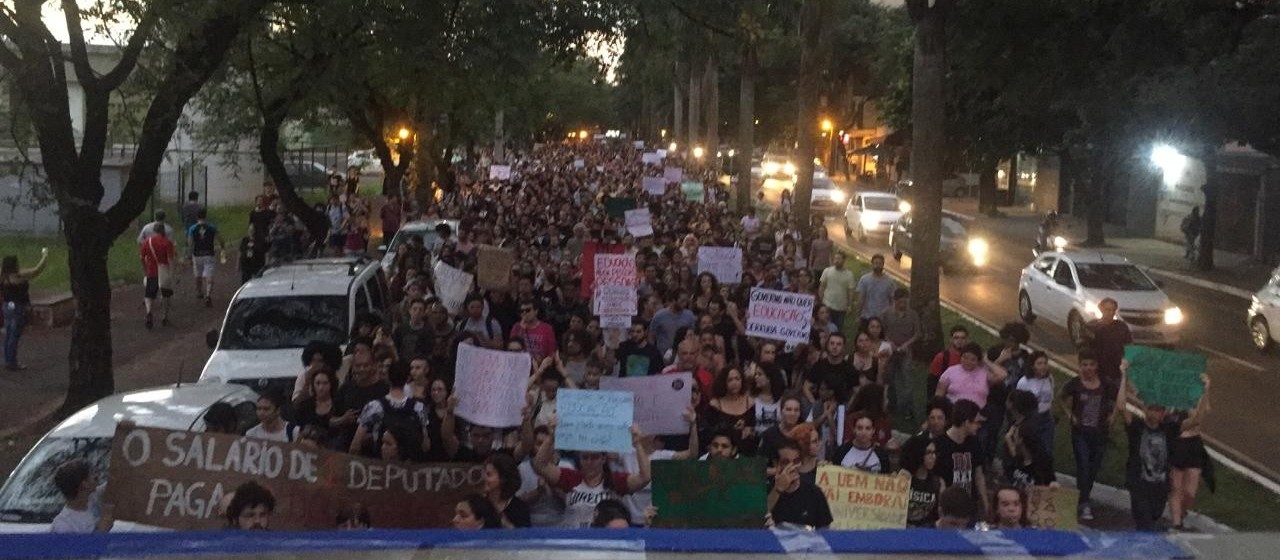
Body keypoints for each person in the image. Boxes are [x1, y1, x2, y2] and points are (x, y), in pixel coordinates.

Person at [1116, 362, 1211, 531]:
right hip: (1139, 487)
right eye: (1152, 409)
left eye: (1159, 410)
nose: (1155, 413)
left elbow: (1196, 419)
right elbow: (1121, 406)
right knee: (1146, 525)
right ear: (1145, 409)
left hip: (1159, 488)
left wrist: (1205, 390)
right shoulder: (1137, 427)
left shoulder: (1170, 430)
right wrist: (1124, 375)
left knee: (1152, 519)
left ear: (1164, 412)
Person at [533, 421, 652, 528]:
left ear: (603, 458)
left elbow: (645, 477)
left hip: (604, 543)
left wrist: (637, 444)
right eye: (585, 457)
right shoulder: (570, 477)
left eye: (595, 457)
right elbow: (540, 465)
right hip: (573, 541)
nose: (589, 462)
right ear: (579, 459)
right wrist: (552, 437)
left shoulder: (615, 480)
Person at [1057, 349, 1116, 521]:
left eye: (1091, 365)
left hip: (1100, 433)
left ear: (1096, 366)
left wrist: (1113, 416)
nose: (1088, 368)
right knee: (1083, 465)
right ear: (1079, 366)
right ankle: (1084, 502)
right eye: (1084, 365)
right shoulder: (1075, 384)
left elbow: (1117, 398)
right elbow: (1061, 397)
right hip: (1081, 432)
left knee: (1093, 467)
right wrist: (1070, 415)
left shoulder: (1105, 384)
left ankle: (1083, 495)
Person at [933, 399, 989, 515]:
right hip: (949, 507)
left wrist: (985, 504)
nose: (979, 426)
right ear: (966, 422)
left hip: (970, 505)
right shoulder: (939, 445)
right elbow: (939, 480)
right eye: (977, 422)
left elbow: (979, 475)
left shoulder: (974, 443)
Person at [768, 440, 832, 529]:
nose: (792, 467)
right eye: (786, 462)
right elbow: (757, 521)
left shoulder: (814, 493)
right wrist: (778, 489)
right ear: (776, 464)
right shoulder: (765, 490)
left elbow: (825, 529)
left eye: (796, 461)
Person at [2, 248, 48, 371]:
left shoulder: (3, 277)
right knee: (14, 335)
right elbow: (37, 270)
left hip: (7, 306)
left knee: (8, 334)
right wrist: (45, 255)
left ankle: (8, 359)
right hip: (17, 307)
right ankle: (12, 362)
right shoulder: (19, 277)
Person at [880, 288, 920, 421]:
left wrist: (906, 345)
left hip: (905, 351)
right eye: (901, 302)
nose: (903, 305)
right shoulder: (886, 314)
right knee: (889, 378)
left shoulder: (913, 314)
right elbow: (882, 331)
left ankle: (908, 408)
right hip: (891, 350)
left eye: (905, 302)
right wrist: (889, 342)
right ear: (895, 301)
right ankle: (892, 404)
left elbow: (917, 334)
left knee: (906, 380)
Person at [51, 459, 112, 533]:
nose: (96, 478)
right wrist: (102, 529)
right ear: (84, 484)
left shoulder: (91, 500)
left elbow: (112, 485)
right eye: (93, 477)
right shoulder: (64, 524)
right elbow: (79, 544)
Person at [1016, 351, 1056, 464]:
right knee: (1031, 450)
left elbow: (1050, 399)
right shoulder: (1024, 382)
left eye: (1045, 363)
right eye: (1039, 363)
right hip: (1031, 420)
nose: (1043, 366)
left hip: (1046, 419)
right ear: (1032, 366)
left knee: (1046, 451)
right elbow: (1018, 405)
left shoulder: (1049, 379)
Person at [1080, 297, 1132, 383]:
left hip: (1116, 372)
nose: (1111, 313)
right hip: (1097, 372)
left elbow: (1129, 347)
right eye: (1108, 310)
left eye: (1113, 310)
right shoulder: (1091, 327)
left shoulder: (1121, 327)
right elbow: (1083, 350)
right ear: (1101, 309)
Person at [900, 435, 945, 528]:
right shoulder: (903, 479)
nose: (933, 457)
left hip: (927, 532)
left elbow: (942, 513)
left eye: (934, 453)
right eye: (928, 452)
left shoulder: (938, 483)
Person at [186, 208, 225, 307]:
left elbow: (190, 243)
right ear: (205, 216)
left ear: (197, 217)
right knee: (209, 275)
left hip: (197, 254)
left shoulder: (192, 228)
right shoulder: (212, 227)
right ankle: (208, 294)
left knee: (198, 275)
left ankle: (199, 292)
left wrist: (189, 256)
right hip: (209, 253)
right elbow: (220, 239)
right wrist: (222, 247)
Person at [140, 224, 176, 329]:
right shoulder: (167, 242)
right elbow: (170, 259)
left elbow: (141, 257)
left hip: (151, 271)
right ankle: (165, 317)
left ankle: (149, 312)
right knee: (166, 295)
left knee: (149, 295)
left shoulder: (147, 242)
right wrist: (172, 272)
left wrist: (145, 270)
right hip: (164, 271)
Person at [484, 453, 532, 528]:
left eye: (489, 475)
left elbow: (524, 537)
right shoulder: (478, 504)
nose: (484, 478)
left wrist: (506, 524)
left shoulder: (520, 508)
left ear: (503, 479)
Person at [928, 326, 968, 405]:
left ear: (967, 340)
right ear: (951, 339)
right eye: (956, 338)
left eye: (963, 338)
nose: (959, 341)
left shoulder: (973, 358)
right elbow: (932, 383)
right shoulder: (942, 357)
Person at [854, 254, 896, 330]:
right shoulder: (864, 279)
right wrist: (857, 315)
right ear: (872, 264)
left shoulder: (889, 282)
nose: (878, 265)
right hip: (866, 317)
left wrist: (891, 315)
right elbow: (861, 299)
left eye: (880, 263)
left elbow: (892, 300)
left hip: (882, 319)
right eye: (876, 263)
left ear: (883, 265)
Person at [650, 290, 695, 358]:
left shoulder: (689, 316)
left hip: (683, 356)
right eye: (682, 301)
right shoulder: (659, 316)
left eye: (686, 301)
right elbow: (651, 337)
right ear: (674, 300)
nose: (685, 304)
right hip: (662, 355)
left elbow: (692, 335)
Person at [818, 252, 854, 331]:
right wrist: (821, 301)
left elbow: (850, 291)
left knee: (838, 329)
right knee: (825, 328)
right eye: (836, 258)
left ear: (844, 260)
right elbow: (822, 287)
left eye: (839, 259)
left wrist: (850, 305)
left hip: (841, 307)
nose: (837, 260)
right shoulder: (827, 271)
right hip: (827, 304)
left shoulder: (849, 275)